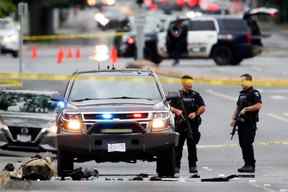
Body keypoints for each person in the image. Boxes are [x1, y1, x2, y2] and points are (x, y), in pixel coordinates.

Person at [170, 75, 206, 175]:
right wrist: (176, 110)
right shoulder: (177, 95)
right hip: (180, 124)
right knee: (178, 147)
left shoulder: (195, 95)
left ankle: (193, 166)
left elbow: (202, 107)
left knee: (192, 146)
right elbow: (167, 106)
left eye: (191, 82)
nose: (190, 84)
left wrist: (196, 113)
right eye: (187, 82)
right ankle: (176, 166)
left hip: (192, 125)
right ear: (183, 83)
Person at [230, 73, 262, 173]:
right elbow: (238, 107)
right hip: (241, 123)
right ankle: (246, 164)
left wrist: (247, 109)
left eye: (243, 81)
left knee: (247, 143)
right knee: (242, 144)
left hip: (249, 123)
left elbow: (258, 105)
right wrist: (233, 118)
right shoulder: (242, 94)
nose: (241, 83)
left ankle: (251, 165)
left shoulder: (254, 93)